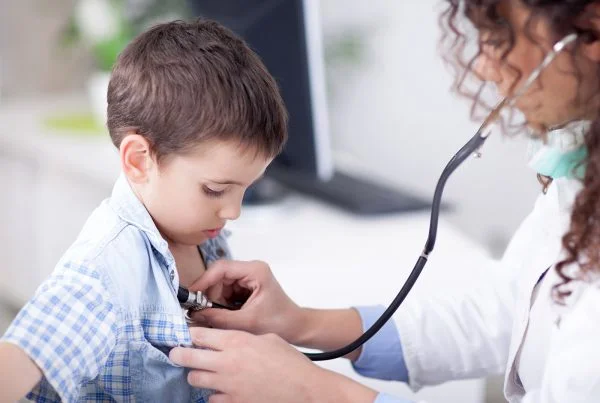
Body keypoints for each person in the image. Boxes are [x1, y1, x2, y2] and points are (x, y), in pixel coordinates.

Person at [168, 1, 600, 402]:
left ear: (592, 30)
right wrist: (300, 322)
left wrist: (311, 390)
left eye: (501, 32)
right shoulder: (580, 184)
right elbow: (503, 316)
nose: (485, 66)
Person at [0, 19, 287, 402]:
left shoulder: (197, 234)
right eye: (215, 190)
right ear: (139, 160)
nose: (233, 211)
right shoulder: (106, 270)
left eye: (245, 190)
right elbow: (22, 358)